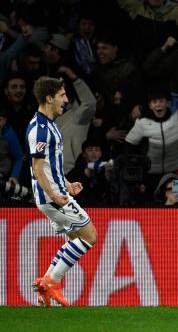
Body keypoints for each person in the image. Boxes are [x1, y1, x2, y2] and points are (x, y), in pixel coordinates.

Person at [28, 76, 98, 307]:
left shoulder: (49, 126)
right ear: (49, 98)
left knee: (75, 239)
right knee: (89, 236)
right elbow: (37, 168)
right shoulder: (39, 129)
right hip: (52, 198)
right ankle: (51, 282)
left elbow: (50, 166)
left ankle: (43, 292)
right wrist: (55, 194)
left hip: (57, 193)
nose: (66, 100)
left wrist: (66, 184)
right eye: (62, 95)